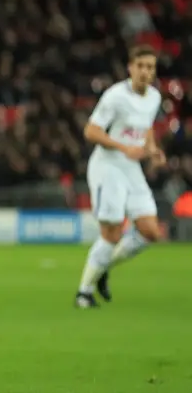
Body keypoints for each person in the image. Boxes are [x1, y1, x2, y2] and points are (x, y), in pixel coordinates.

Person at [75, 44, 166, 308]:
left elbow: (146, 126)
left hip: (131, 168)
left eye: (150, 67)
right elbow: (91, 131)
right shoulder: (115, 96)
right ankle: (84, 292)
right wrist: (124, 147)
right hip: (108, 167)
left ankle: (103, 268)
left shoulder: (154, 98)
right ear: (130, 68)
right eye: (141, 66)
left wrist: (151, 149)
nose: (146, 72)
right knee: (112, 232)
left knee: (151, 231)